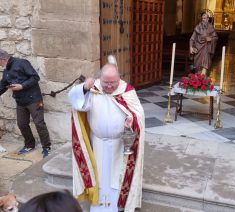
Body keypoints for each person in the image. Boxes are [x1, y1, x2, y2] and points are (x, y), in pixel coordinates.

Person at [68, 55, 145, 212]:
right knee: (99, 177)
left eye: (113, 82)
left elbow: (139, 115)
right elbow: (75, 101)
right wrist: (83, 88)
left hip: (119, 144)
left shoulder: (127, 91)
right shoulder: (93, 89)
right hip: (97, 143)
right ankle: (98, 206)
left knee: (117, 176)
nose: (110, 86)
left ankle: (118, 204)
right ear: (99, 79)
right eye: (106, 82)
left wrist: (131, 122)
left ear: (119, 79)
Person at [0, 49, 51, 158]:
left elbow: (35, 77)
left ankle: (46, 147)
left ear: (3, 59)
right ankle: (29, 145)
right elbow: (3, 85)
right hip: (20, 101)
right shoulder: (6, 71)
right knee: (22, 124)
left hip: (34, 99)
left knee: (39, 123)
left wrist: (22, 86)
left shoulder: (22, 63)